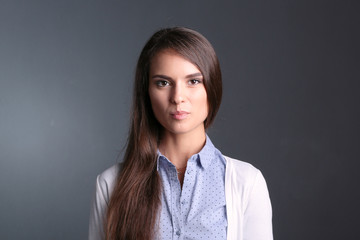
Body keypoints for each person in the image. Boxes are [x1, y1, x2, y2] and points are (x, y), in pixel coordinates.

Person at [88, 27, 273, 240]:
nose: (178, 97)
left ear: (212, 88)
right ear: (147, 93)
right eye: (163, 83)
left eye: (193, 81)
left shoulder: (246, 183)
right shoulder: (111, 185)